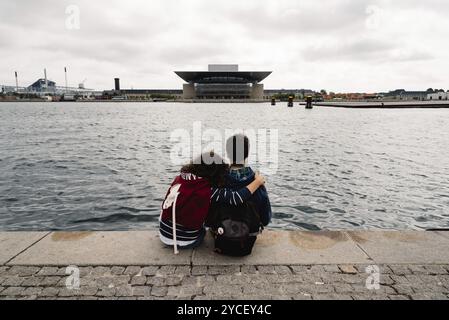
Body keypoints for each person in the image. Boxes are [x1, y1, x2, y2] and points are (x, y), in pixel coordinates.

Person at [159, 151, 266, 253]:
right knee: (204, 230)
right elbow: (236, 198)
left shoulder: (179, 179)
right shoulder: (207, 190)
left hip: (164, 234)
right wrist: (258, 182)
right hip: (186, 240)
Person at [223, 134, 272, 226]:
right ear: (247, 153)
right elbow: (266, 220)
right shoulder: (258, 182)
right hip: (249, 237)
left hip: (221, 235)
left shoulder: (219, 180)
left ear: (228, 153)